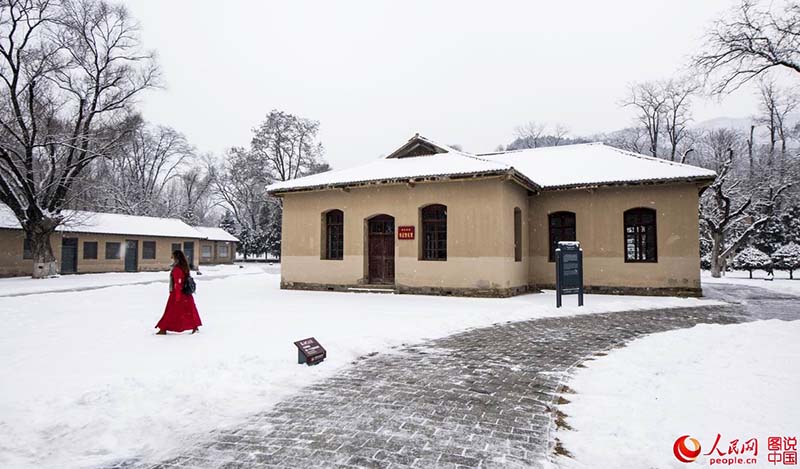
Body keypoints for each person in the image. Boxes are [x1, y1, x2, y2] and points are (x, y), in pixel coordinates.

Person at [155, 250, 202, 335]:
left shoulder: (177, 269)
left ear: (176, 258)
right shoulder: (184, 267)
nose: (171, 258)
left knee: (170, 312)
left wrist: (177, 296)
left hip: (178, 294)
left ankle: (163, 328)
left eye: (172, 257)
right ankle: (195, 326)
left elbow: (178, 283)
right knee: (189, 311)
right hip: (186, 295)